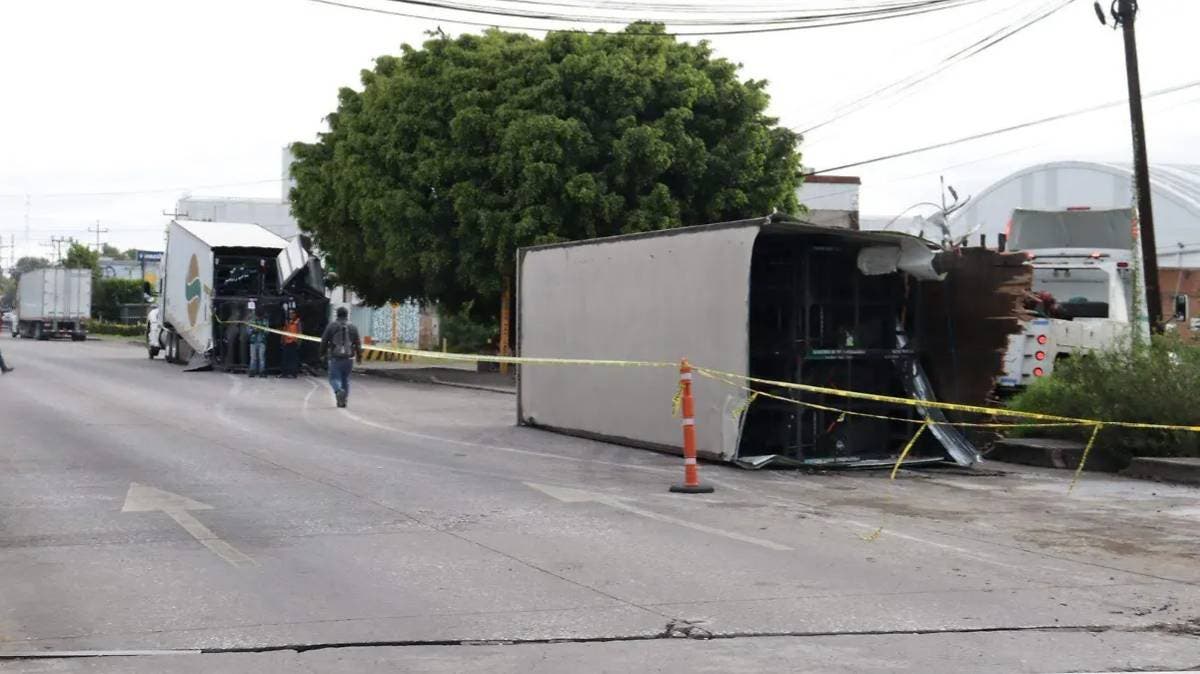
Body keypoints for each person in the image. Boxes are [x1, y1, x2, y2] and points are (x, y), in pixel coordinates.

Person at [320, 307, 362, 408]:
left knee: (333, 378)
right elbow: (358, 343)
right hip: (349, 359)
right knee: (345, 379)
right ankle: (343, 401)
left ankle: (339, 391)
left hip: (335, 357)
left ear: (337, 315)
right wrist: (359, 356)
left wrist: (322, 354)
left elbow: (324, 341)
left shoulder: (332, 326)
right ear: (347, 315)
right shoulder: (353, 327)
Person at [246, 308, 269, 378]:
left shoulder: (265, 321)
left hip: (262, 341)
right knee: (253, 357)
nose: (259, 316)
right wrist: (254, 330)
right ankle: (252, 371)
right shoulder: (252, 321)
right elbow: (248, 331)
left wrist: (262, 330)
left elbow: (267, 331)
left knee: (261, 357)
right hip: (253, 341)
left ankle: (261, 372)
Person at [280, 309, 302, 378]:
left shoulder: (298, 322)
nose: (291, 315)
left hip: (294, 342)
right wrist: (282, 340)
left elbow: (299, 332)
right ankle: (285, 373)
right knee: (285, 358)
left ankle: (293, 373)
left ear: (295, 314)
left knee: (293, 359)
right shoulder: (287, 322)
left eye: (292, 313)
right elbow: (284, 331)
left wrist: (299, 342)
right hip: (286, 342)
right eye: (290, 313)